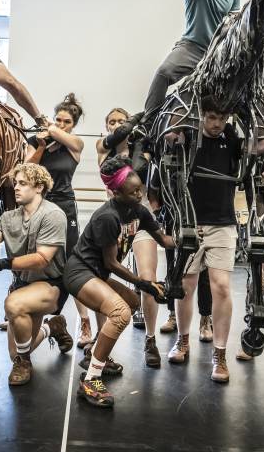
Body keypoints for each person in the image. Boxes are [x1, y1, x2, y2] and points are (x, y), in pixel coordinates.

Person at [64, 156, 175, 408]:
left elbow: (164, 240)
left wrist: (188, 239)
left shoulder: (139, 211)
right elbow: (112, 263)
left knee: (132, 302)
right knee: (120, 313)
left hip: (96, 274)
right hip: (80, 272)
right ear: (115, 192)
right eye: (133, 191)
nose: (139, 194)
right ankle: (91, 378)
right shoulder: (108, 217)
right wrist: (145, 283)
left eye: (141, 189)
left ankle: (95, 353)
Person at [0, 163, 75, 385]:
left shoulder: (53, 214)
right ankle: (54, 327)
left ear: (39, 187)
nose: (16, 188)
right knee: (18, 349)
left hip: (51, 284)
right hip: (24, 284)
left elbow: (42, 259)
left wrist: (2, 263)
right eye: (15, 183)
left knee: (13, 305)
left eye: (23, 183)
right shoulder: (9, 217)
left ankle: (23, 363)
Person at [166, 105, 240, 382]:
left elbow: (262, 144)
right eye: (212, 117)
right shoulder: (187, 137)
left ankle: (219, 354)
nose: (217, 123)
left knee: (221, 286)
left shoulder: (231, 139)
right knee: (186, 285)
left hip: (222, 223)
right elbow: (170, 130)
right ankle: (183, 340)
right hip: (190, 221)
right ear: (201, 116)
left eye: (222, 117)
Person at [95, 107, 171, 367]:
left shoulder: (144, 147)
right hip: (114, 220)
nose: (117, 125)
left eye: (120, 120)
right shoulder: (104, 150)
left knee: (148, 278)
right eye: (112, 121)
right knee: (100, 279)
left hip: (142, 218)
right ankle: (100, 342)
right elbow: (124, 137)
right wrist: (141, 115)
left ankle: (150, 339)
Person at [142, 0, 241, 121]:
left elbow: (234, 24)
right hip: (191, 47)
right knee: (164, 72)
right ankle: (148, 121)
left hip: (217, 54)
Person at [26, 94, 84, 309]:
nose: (61, 124)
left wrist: (50, 127)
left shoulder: (75, 144)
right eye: (58, 119)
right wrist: (41, 147)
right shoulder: (35, 141)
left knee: (73, 260)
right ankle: (27, 303)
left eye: (67, 122)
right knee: (33, 255)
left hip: (65, 205)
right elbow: (26, 171)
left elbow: (56, 132)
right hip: (40, 205)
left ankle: (84, 320)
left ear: (74, 125)